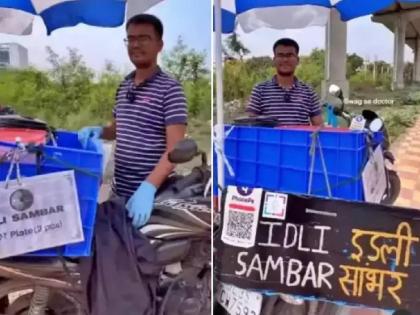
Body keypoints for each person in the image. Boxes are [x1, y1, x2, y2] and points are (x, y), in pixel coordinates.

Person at [77, 14, 187, 228]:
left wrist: (148, 187)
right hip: (119, 193)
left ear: (159, 45)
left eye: (144, 38)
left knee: (141, 257)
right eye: (131, 38)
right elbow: (119, 128)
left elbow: (176, 150)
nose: (136, 44)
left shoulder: (171, 90)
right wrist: (99, 131)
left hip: (151, 199)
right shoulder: (124, 85)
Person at [246, 38, 323, 126]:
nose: (285, 59)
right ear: (274, 60)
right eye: (281, 55)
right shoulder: (259, 90)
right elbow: (250, 126)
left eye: (290, 55)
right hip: (269, 139)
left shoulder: (309, 91)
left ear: (297, 60)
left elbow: (319, 127)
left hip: (299, 139)